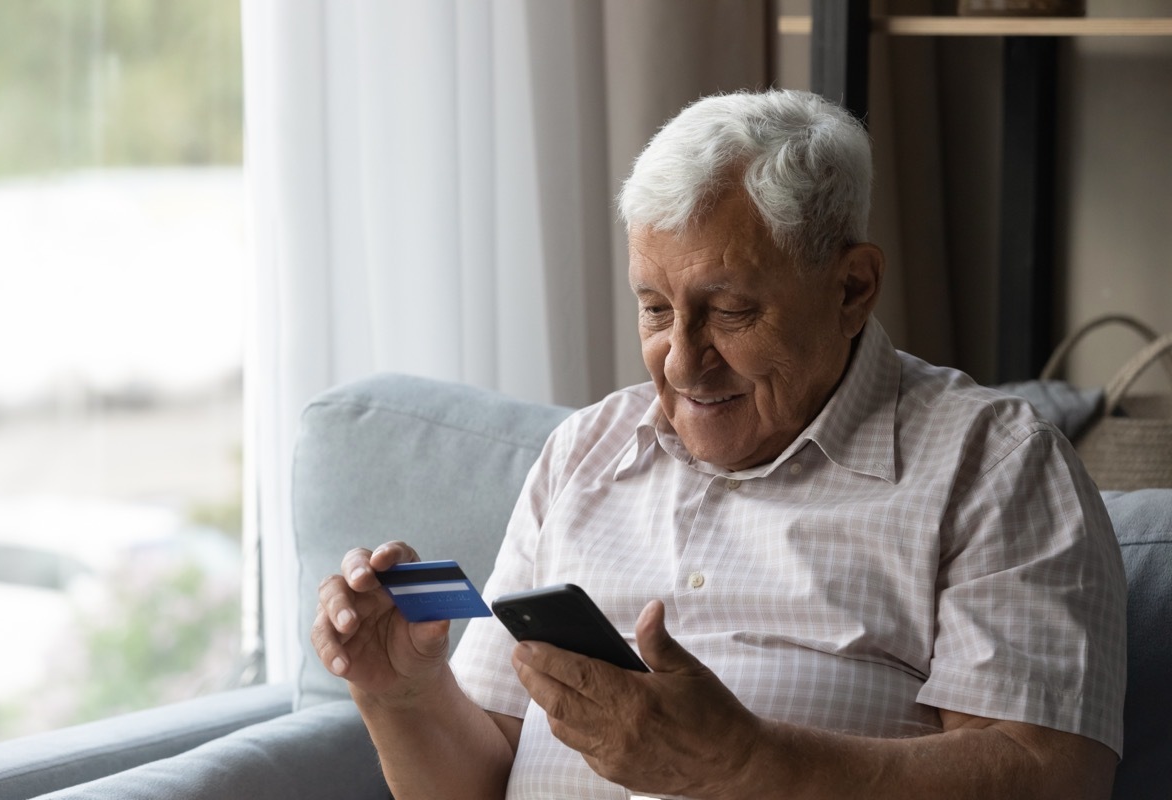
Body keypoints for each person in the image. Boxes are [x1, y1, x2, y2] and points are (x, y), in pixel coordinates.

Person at [312, 89, 1126, 799]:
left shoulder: (995, 467)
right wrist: (403, 695)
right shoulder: (583, 453)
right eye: (655, 309)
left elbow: (1046, 778)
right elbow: (477, 781)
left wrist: (746, 765)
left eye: (730, 310)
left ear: (853, 288)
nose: (682, 358)